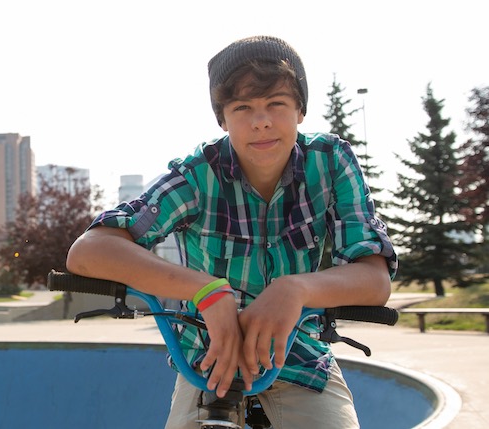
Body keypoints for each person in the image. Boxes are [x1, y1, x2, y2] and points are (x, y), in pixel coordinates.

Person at [66, 35, 397, 429]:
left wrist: (296, 289)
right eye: (242, 107)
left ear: (300, 110)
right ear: (222, 119)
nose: (261, 121)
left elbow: (374, 277)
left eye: (276, 103)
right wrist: (205, 291)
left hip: (300, 359)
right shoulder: (197, 174)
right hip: (207, 365)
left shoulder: (330, 161)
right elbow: (90, 250)